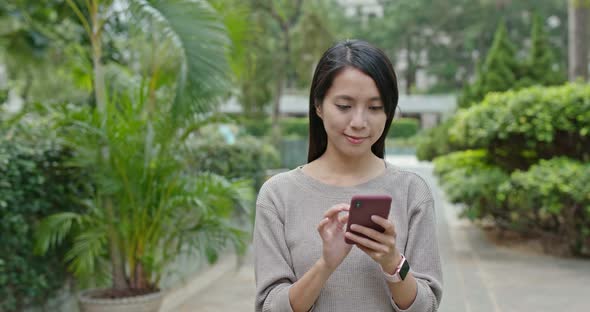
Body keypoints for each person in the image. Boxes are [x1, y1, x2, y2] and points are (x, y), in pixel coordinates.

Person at [253, 40, 442, 312]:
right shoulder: (278, 196)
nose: (359, 122)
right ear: (318, 105)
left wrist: (392, 262)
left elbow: (427, 306)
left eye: (375, 108)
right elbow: (270, 307)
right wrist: (325, 265)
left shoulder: (412, 191)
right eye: (344, 106)